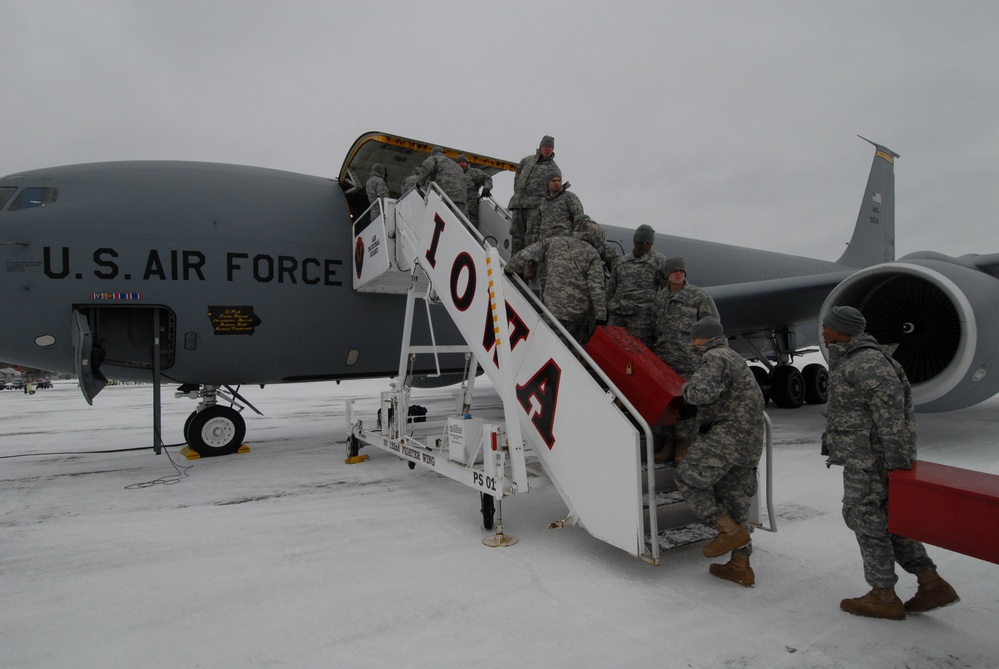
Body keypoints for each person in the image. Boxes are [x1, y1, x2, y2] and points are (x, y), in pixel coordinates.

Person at [821, 306, 960, 619]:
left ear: (843, 330)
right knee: (886, 522)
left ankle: (883, 595)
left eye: (827, 327)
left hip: (873, 460)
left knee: (866, 520)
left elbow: (890, 414)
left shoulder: (867, 362)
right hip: (868, 457)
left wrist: (894, 464)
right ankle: (930, 582)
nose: (823, 331)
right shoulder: (851, 360)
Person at [674, 316, 764, 587]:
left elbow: (700, 394)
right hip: (749, 439)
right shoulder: (734, 357)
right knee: (735, 497)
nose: (692, 342)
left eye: (695, 338)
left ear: (706, 338)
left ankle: (728, 530)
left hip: (727, 436)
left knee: (687, 478)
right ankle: (740, 565)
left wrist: (685, 388)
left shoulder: (714, 358)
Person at [652, 256, 719, 462]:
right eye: (674, 271)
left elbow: (712, 325)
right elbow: (655, 326)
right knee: (667, 405)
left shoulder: (699, 296)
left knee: (687, 405)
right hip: (665, 361)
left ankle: (683, 445)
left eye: (681, 270)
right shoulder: (660, 298)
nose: (678, 273)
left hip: (689, 360)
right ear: (667, 275)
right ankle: (668, 444)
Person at [505, 217, 607, 344]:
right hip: (577, 315)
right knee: (572, 349)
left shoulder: (552, 242)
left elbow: (525, 254)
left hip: (552, 311)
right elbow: (596, 288)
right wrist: (601, 317)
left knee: (550, 346)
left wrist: (509, 269)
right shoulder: (592, 254)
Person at [605, 224, 668, 347]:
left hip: (641, 318)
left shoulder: (659, 261)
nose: (644, 246)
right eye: (641, 242)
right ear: (634, 241)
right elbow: (610, 289)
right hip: (618, 314)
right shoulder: (622, 262)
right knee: (610, 346)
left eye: (647, 243)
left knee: (636, 350)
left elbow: (666, 291)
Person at [508, 135, 559, 253]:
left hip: (535, 207)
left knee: (531, 237)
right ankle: (514, 264)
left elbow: (554, 189)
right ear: (541, 147)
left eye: (551, 147)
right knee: (516, 235)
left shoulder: (553, 168)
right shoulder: (527, 160)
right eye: (546, 146)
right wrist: (517, 194)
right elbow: (517, 177)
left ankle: (526, 267)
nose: (548, 149)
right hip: (518, 204)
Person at [416, 146, 467, 216]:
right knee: (459, 220)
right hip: (461, 196)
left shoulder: (435, 158)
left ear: (433, 153)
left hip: (445, 194)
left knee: (443, 217)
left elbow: (426, 167)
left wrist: (420, 183)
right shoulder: (455, 165)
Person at [537, 167, 583, 241]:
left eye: (559, 180)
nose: (557, 183)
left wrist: (575, 238)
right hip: (545, 242)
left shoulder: (569, 197)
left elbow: (579, 218)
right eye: (553, 181)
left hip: (563, 242)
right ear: (548, 183)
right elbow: (537, 224)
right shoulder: (543, 202)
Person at [456, 154, 493, 229]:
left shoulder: (474, 172)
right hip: (457, 209)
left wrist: (486, 188)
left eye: (463, 162)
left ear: (467, 163)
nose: (461, 164)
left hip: (471, 211)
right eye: (459, 162)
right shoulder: (454, 175)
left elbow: (487, 179)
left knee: (471, 231)